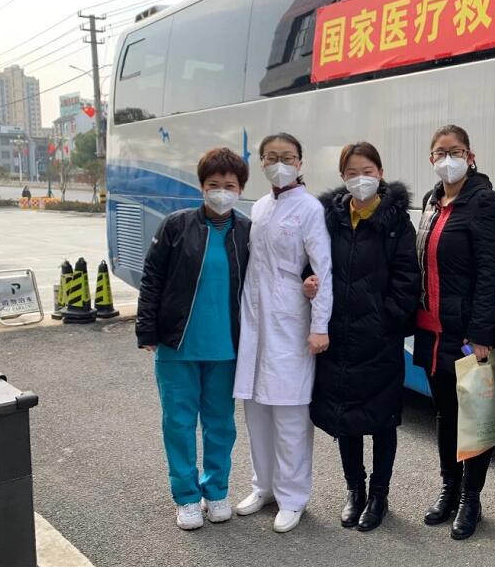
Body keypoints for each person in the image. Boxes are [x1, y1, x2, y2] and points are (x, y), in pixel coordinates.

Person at [303, 142, 419, 532]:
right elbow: (311, 264)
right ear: (342, 177)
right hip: (338, 336)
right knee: (345, 416)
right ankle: (355, 489)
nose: (360, 179)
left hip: (379, 338)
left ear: (380, 173)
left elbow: (407, 279)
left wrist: (387, 320)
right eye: (352, 173)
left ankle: (379, 495)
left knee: (383, 420)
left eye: (367, 171)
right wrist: (309, 285)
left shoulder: (396, 222)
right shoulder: (330, 219)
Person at [136, 147, 251, 531]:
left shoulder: (247, 231)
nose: (222, 192)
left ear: (241, 189)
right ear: (201, 186)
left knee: (221, 425)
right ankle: (186, 497)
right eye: (214, 184)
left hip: (226, 348)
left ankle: (216, 491)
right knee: (179, 424)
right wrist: (147, 329)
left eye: (229, 186)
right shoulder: (176, 225)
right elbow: (152, 278)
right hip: (177, 345)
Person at [232, 132, 332, 534]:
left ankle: (293, 497)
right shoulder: (258, 207)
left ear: (300, 163)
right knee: (256, 411)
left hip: (291, 322)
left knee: (290, 414)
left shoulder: (310, 209)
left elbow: (323, 271)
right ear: (260, 163)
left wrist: (319, 325)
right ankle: (264, 487)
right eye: (271, 157)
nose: (279, 164)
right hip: (255, 320)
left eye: (287, 157)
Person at [414, 124, 495, 540]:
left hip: (466, 334)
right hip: (431, 331)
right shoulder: (432, 201)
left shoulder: (483, 202)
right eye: (440, 152)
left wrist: (481, 332)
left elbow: (489, 273)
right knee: (445, 413)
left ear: (470, 156)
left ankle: (471, 498)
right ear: (431, 158)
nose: (447, 159)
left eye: (456, 151)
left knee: (473, 417)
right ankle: (449, 488)